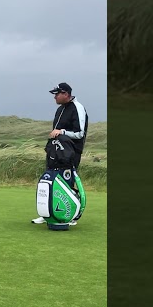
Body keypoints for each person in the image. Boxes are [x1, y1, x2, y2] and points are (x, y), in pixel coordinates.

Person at [32, 82, 90, 225]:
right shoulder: (60, 109)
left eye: (57, 94)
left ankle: (71, 216)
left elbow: (80, 133)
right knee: (52, 181)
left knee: (67, 183)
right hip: (55, 152)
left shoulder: (77, 108)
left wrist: (62, 132)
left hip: (70, 153)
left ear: (66, 94)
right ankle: (49, 213)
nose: (55, 97)